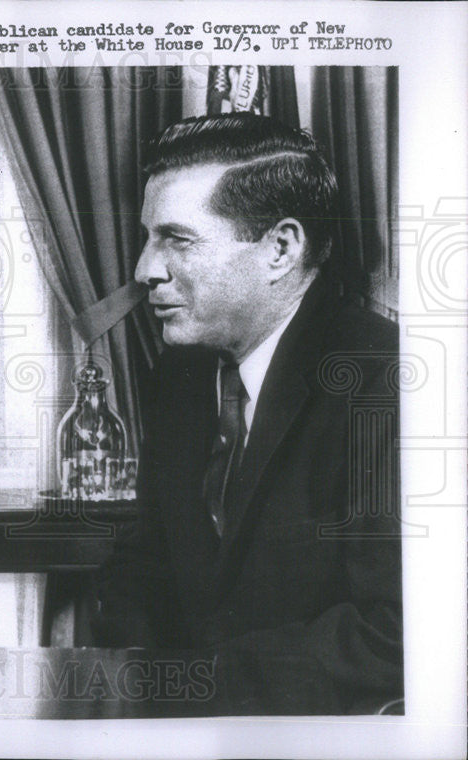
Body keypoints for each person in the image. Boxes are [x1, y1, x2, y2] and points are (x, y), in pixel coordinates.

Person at [96, 114, 402, 713]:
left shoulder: (388, 381)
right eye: (148, 238)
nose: (144, 270)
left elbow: (395, 631)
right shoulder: (180, 378)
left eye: (177, 239)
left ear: (280, 248)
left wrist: (200, 685)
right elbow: (144, 566)